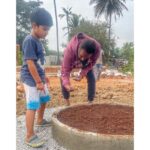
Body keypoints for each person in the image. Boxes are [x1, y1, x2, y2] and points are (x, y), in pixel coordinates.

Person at [20, 8, 53, 148]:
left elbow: (40, 63)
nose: (46, 33)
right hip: (30, 79)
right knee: (32, 105)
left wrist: (44, 77)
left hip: (39, 78)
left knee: (45, 98)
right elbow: (30, 63)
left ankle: (40, 120)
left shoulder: (38, 41)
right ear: (34, 26)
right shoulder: (29, 41)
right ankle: (29, 135)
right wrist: (38, 81)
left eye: (48, 30)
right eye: (44, 29)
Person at [61, 32, 101, 106]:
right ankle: (67, 101)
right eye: (81, 56)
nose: (82, 59)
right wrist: (67, 84)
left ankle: (90, 101)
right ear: (79, 48)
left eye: (86, 56)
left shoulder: (97, 49)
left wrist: (82, 73)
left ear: (91, 54)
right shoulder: (69, 51)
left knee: (91, 77)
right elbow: (65, 71)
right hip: (72, 58)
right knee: (63, 78)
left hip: (87, 61)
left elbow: (92, 63)